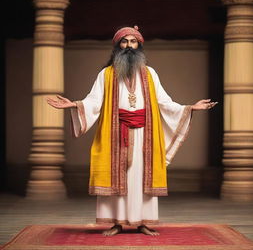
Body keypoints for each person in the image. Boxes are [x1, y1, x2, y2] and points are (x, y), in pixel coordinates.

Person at [46, 26, 217, 236]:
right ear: (118, 46)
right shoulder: (106, 74)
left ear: (139, 45)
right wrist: (74, 105)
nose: (129, 46)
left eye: (133, 42)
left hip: (145, 134)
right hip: (115, 133)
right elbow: (94, 101)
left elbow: (164, 102)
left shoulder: (150, 73)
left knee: (140, 177)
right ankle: (117, 222)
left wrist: (190, 108)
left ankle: (142, 222)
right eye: (124, 41)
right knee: (118, 177)